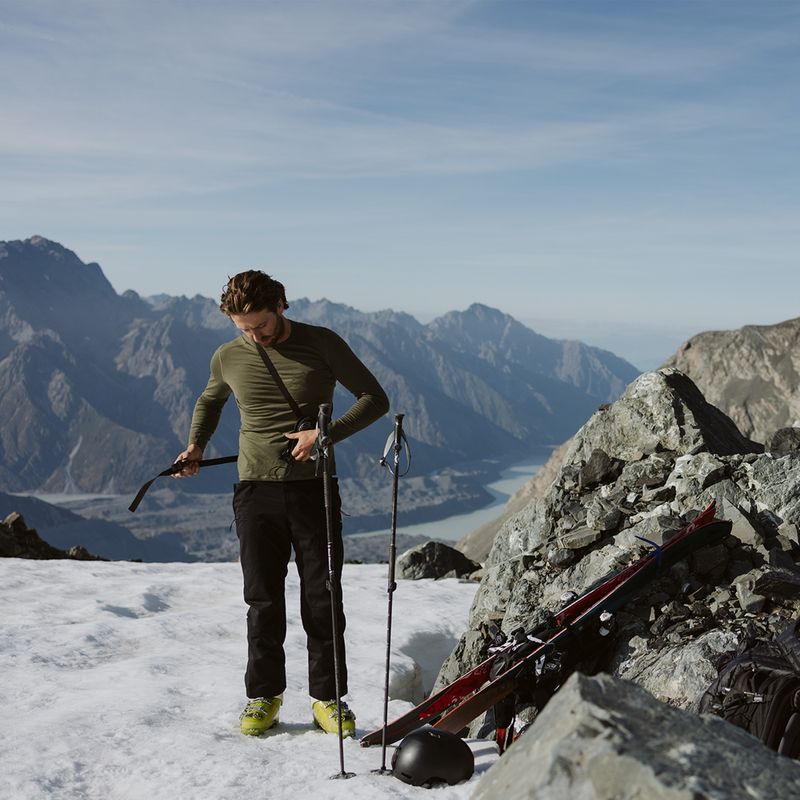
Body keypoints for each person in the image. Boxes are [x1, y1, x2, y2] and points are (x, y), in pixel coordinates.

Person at [174, 270, 389, 737]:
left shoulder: (323, 344)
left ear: (282, 305)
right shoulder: (228, 356)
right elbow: (210, 401)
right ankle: (263, 697)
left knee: (323, 596)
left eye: (262, 326)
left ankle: (329, 700)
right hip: (254, 491)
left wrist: (323, 433)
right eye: (244, 328)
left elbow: (376, 399)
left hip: (314, 488)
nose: (254, 336)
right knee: (262, 599)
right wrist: (195, 447)